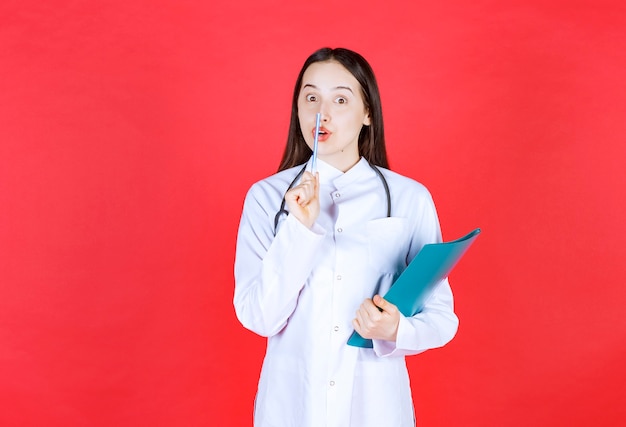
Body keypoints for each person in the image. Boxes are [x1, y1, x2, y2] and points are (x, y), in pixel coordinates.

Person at [233, 47, 459, 427]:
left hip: (375, 408)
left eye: (340, 98)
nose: (323, 112)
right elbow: (260, 317)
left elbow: (442, 317)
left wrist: (396, 330)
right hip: (291, 408)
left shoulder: (408, 199)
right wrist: (299, 230)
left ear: (368, 113)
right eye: (311, 98)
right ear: (298, 110)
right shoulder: (266, 199)